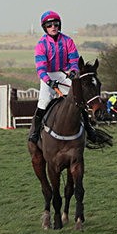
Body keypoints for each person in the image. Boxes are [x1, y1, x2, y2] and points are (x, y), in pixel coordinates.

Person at [29, 10, 96, 144]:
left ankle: (89, 129)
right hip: (47, 75)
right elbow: (40, 67)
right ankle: (35, 133)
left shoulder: (67, 40)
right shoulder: (41, 45)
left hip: (63, 73)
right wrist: (49, 81)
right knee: (43, 102)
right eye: (49, 25)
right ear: (45, 28)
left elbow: (74, 59)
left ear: (59, 25)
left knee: (78, 99)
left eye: (56, 24)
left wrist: (73, 70)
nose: (53, 27)